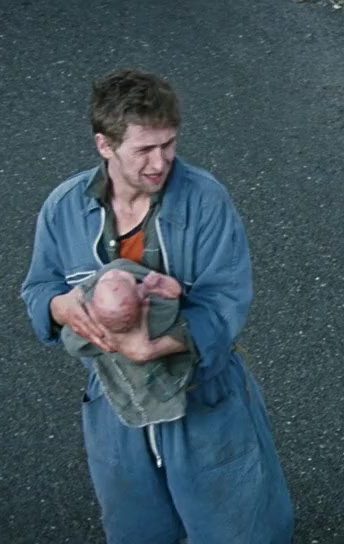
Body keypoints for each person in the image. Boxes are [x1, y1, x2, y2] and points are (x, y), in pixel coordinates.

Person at [20, 68, 294, 543]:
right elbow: (39, 288)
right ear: (105, 145)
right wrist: (61, 308)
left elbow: (225, 303)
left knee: (238, 530)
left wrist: (154, 346)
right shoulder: (63, 208)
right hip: (115, 402)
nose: (161, 162)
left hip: (204, 398)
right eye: (144, 149)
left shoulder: (205, 200)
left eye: (169, 144)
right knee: (138, 532)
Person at [61, 259, 196, 429]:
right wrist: (56, 306)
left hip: (188, 398)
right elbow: (41, 285)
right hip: (125, 397)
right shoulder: (157, 307)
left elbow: (71, 342)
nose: (114, 273)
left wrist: (153, 349)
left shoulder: (93, 327)